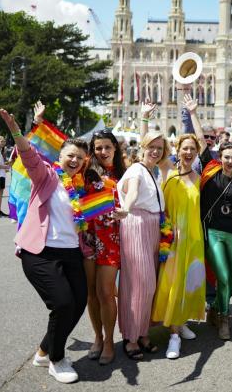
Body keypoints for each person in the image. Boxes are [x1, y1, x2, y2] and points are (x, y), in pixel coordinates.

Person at [0, 108, 97, 384]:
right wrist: (18, 131)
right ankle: (56, 359)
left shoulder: (79, 187)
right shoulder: (47, 176)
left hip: (71, 252)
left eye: (79, 157)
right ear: (60, 157)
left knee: (78, 303)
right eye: (70, 156)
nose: (74, 160)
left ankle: (44, 351)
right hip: (39, 252)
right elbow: (30, 157)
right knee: (63, 303)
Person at [185, 95, 232, 340]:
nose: (229, 160)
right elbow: (201, 141)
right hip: (213, 232)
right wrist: (193, 113)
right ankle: (223, 318)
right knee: (222, 276)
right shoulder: (210, 168)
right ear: (220, 157)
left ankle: (215, 309)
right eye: (226, 156)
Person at [151, 133, 206, 360]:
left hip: (194, 239)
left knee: (187, 282)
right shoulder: (168, 173)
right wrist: (144, 118)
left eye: (193, 149)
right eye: (185, 148)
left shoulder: (198, 177)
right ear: (177, 149)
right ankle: (174, 336)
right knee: (172, 284)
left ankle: (181, 321)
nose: (189, 152)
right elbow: (153, 147)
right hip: (172, 240)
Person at [117, 130, 170, 359]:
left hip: (153, 227)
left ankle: (143, 332)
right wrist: (127, 208)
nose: (156, 151)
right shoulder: (136, 169)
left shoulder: (153, 171)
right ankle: (130, 337)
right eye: (152, 147)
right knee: (140, 284)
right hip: (136, 223)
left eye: (160, 148)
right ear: (143, 147)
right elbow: (133, 193)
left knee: (150, 283)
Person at [82, 125, 127, 366]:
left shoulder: (124, 173)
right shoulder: (86, 170)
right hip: (88, 239)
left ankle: (109, 341)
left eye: (107, 147)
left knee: (107, 293)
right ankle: (97, 338)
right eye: (98, 148)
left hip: (112, 239)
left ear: (115, 148)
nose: (102, 151)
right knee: (91, 293)